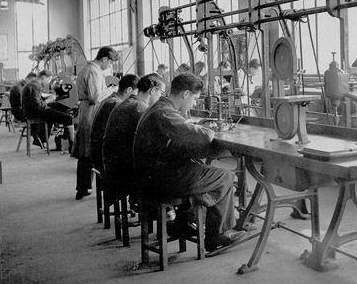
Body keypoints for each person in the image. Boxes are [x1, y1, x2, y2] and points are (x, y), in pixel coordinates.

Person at [133, 73, 245, 252]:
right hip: (160, 181)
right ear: (185, 94)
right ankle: (216, 235)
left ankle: (184, 222)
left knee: (201, 170)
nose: (194, 104)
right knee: (226, 177)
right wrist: (206, 127)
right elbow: (202, 136)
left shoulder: (160, 107)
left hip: (150, 177)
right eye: (194, 99)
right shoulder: (165, 112)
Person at [103, 74, 165, 201]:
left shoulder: (127, 102)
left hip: (112, 165)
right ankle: (163, 212)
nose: (160, 98)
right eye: (160, 94)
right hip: (123, 172)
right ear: (152, 91)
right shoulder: (140, 108)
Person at [73, 46, 119, 200]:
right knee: (89, 150)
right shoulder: (93, 71)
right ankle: (84, 187)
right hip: (91, 111)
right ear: (104, 58)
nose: (110, 66)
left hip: (87, 109)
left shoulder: (89, 69)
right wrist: (113, 89)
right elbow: (95, 97)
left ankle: (84, 187)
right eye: (110, 63)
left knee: (86, 151)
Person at [89, 74, 139, 180]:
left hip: (99, 154)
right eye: (136, 93)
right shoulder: (116, 104)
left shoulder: (111, 99)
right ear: (129, 90)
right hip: (103, 159)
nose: (137, 97)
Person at [21, 70, 75, 150]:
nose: (48, 83)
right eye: (49, 80)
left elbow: (37, 102)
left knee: (59, 108)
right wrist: (49, 99)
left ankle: (43, 139)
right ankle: (72, 147)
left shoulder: (32, 84)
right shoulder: (34, 86)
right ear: (43, 77)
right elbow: (38, 105)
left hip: (32, 112)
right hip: (34, 113)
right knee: (68, 118)